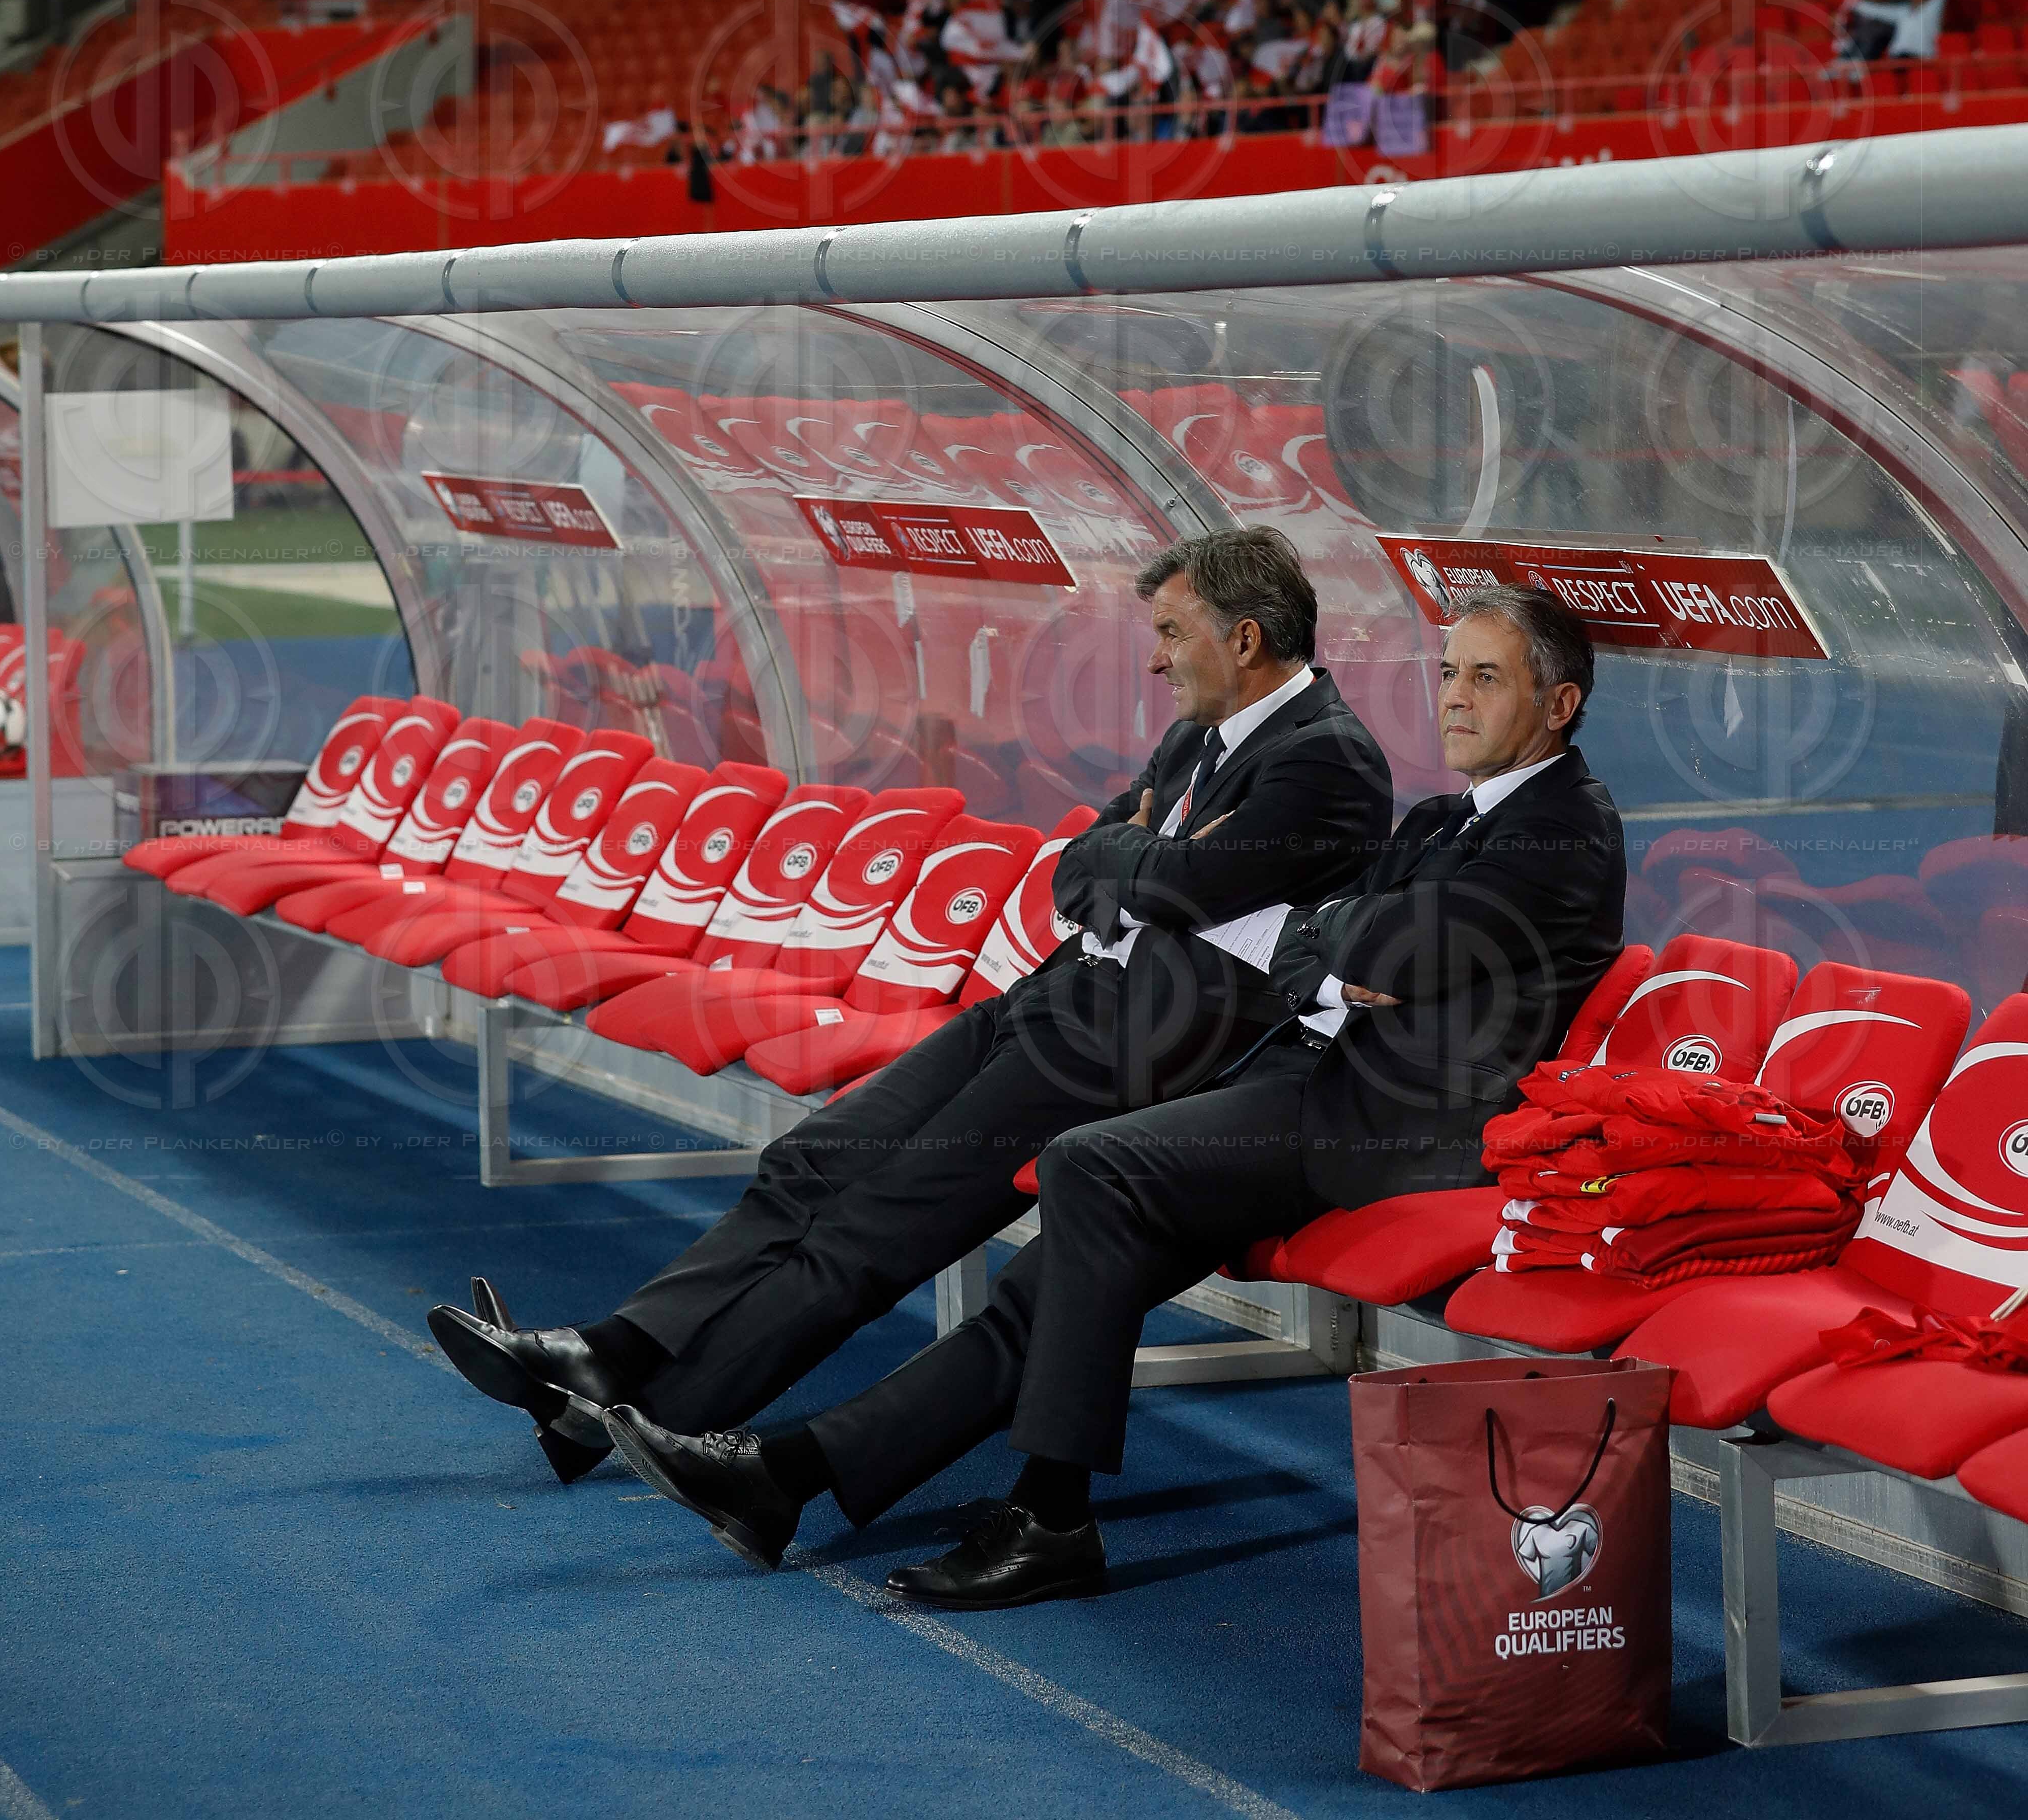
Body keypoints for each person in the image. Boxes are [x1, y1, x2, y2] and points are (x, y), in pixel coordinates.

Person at [599, 588, 1623, 1605]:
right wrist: (1338, 946)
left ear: (1559, 702)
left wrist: (1343, 942)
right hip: (1301, 1080)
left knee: (1090, 1161)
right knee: (1058, 1275)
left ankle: (1051, 1516)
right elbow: (1326, 939)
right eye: (1447, 672)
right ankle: (789, 1477)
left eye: (1485, 677)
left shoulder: (1563, 831)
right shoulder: (1445, 817)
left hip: (1389, 1127)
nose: (1454, 697)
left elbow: (1384, 943)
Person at [426, 527, 1391, 1484]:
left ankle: (638, 1418)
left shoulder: (1329, 762)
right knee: (811, 1161)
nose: (1157, 659)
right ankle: (613, 1356)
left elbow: (1173, 888)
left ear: (1248, 640)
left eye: (1174, 634)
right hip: (1049, 1000)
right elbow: (1079, 869)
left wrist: (1134, 863)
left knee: (875, 1227)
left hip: (1124, 1049)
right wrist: (1134, 861)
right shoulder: (1197, 738)